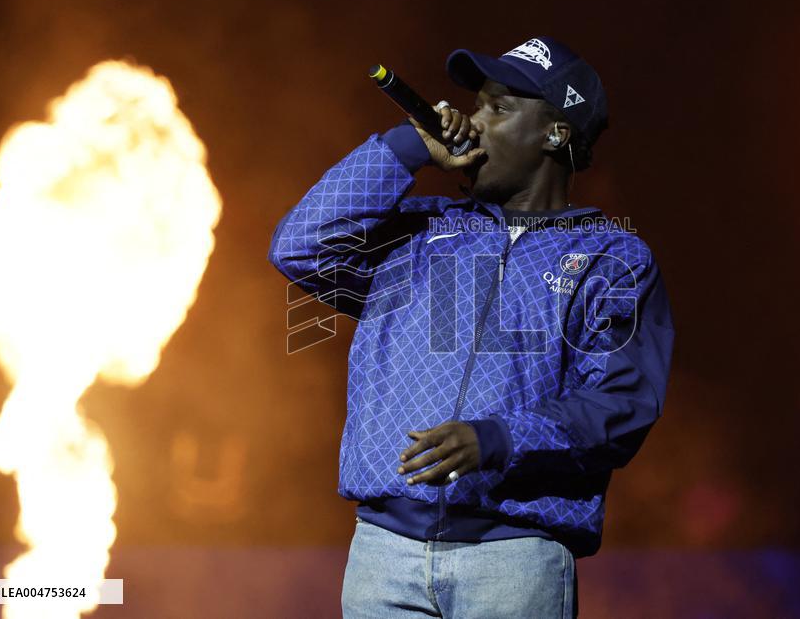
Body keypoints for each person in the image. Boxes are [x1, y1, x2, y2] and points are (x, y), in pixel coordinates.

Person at [268, 36, 675, 618]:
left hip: (514, 559)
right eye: (476, 104)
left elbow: (620, 404)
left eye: (500, 108)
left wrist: (497, 437)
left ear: (556, 134)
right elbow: (299, 246)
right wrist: (409, 147)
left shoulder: (612, 257)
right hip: (384, 555)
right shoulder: (421, 232)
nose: (473, 122)